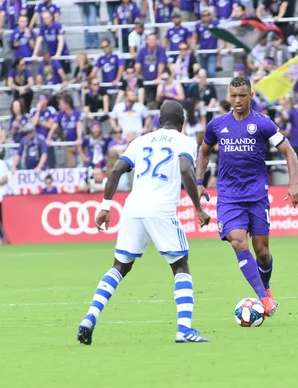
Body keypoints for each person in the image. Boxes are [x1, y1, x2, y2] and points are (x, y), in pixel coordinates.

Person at [77, 100, 211, 345]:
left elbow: (116, 170)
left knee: (120, 266)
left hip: (133, 208)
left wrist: (105, 207)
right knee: (181, 266)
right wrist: (198, 207)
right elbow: (184, 169)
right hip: (160, 209)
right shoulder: (186, 141)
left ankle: (90, 316)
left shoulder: (140, 141)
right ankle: (184, 329)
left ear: (159, 121)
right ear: (182, 123)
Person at [195, 75, 298, 318]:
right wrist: (199, 182)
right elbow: (203, 152)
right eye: (233, 96)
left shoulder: (263, 124)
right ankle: (263, 299)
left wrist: (294, 183)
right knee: (237, 241)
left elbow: (289, 151)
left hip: (256, 196)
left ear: (251, 96)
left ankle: (265, 287)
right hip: (229, 197)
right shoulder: (216, 125)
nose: (237, 100)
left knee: (262, 252)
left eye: (242, 95)